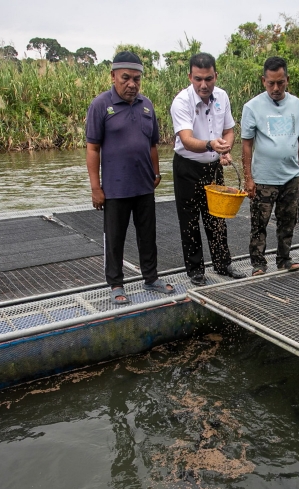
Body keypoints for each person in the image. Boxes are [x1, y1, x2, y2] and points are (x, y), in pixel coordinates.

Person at [86, 51, 174, 304]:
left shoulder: (147, 105)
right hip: (115, 188)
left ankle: (151, 277)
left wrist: (156, 173)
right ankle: (115, 284)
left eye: (137, 78)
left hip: (144, 185)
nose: (131, 84)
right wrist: (96, 188)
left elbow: (153, 144)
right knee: (115, 238)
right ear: (113, 76)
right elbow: (92, 148)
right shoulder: (101, 105)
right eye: (125, 78)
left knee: (148, 235)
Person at [169, 52, 245, 286]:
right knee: (190, 220)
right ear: (190, 76)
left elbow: (229, 129)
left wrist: (226, 148)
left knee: (217, 217)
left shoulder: (222, 96)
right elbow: (186, 139)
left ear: (216, 76)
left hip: (213, 167)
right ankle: (195, 270)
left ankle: (223, 264)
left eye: (209, 79)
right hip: (187, 167)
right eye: (199, 79)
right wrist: (212, 144)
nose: (204, 85)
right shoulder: (181, 102)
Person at [241, 56, 299, 275]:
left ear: (287, 80)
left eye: (280, 82)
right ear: (263, 80)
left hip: (290, 176)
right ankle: (258, 263)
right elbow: (246, 145)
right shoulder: (252, 107)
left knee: (288, 221)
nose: (275, 88)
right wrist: (249, 178)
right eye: (271, 83)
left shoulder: (298, 106)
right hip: (263, 178)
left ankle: (284, 259)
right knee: (259, 224)